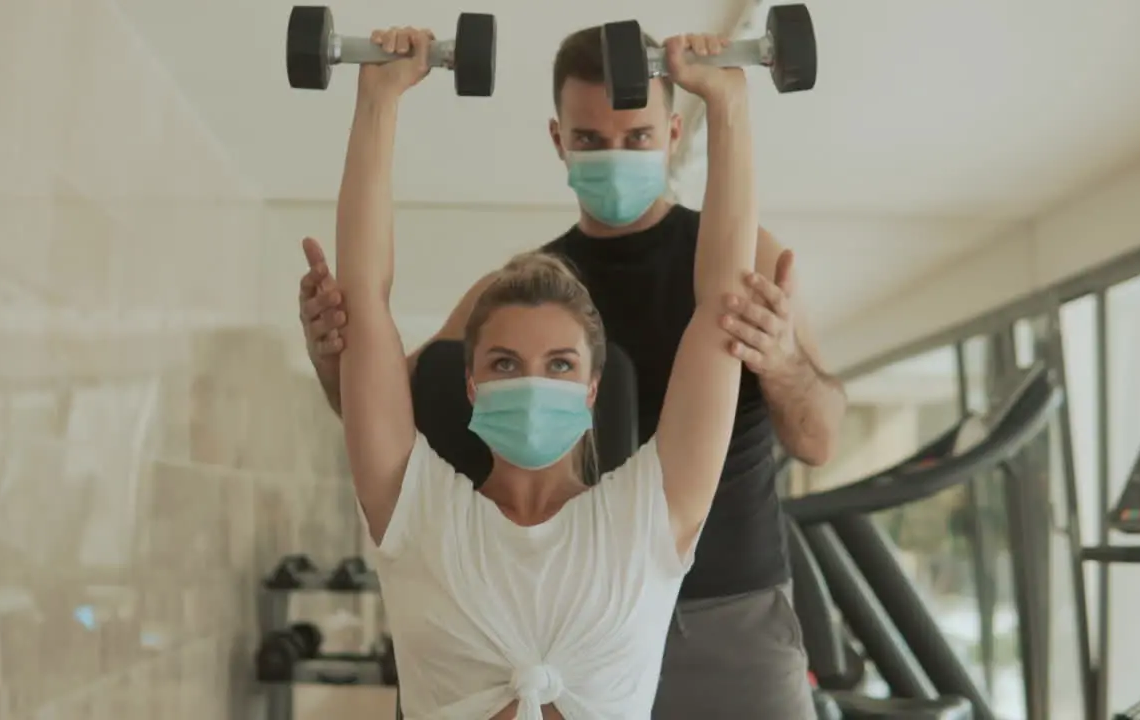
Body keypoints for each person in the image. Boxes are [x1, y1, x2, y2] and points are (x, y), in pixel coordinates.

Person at [303, 25, 846, 719]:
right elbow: (377, 393)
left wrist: (782, 358)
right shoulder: (517, 296)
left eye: (559, 363)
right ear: (559, 139)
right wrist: (339, 356)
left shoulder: (647, 518)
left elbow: (779, 383)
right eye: (504, 363)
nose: (614, 156)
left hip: (721, 608)